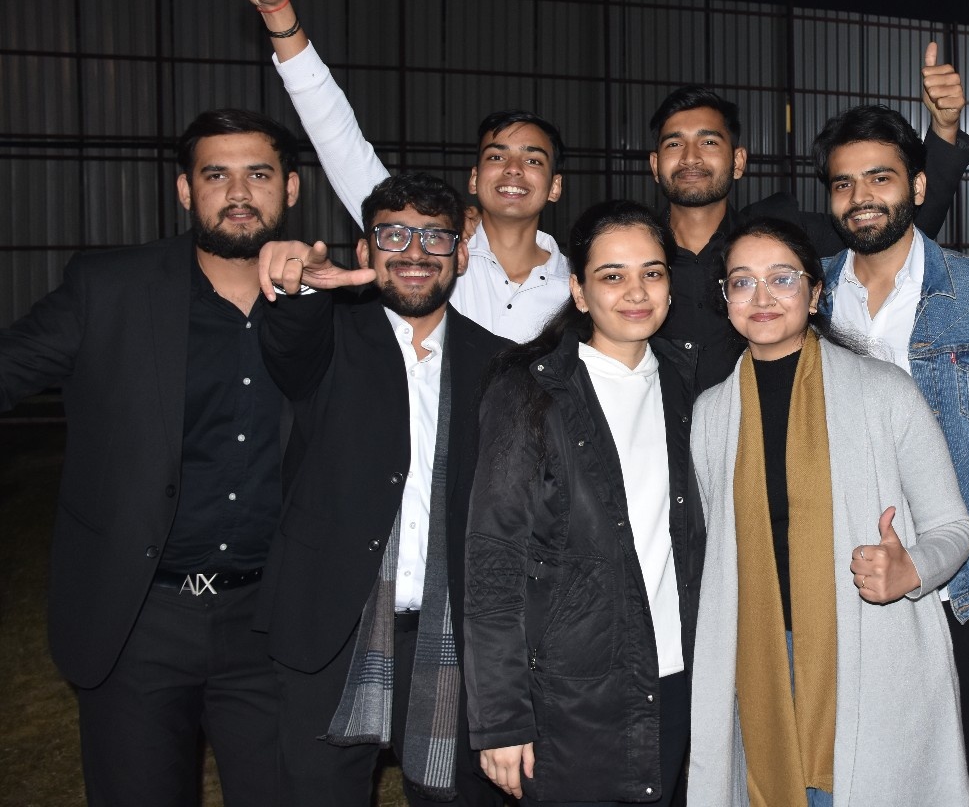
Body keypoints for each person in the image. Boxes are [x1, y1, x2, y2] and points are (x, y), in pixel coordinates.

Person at [0, 109, 300, 805]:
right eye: (215, 175)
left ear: (290, 189)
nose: (238, 193)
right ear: (185, 190)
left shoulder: (327, 301)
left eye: (258, 174)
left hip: (272, 623)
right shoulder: (109, 289)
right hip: (137, 618)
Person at [689, 216, 969, 807]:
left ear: (815, 293)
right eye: (742, 282)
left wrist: (912, 569)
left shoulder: (884, 391)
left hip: (865, 650)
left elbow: (954, 527)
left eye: (782, 279)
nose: (762, 298)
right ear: (726, 299)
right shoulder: (711, 415)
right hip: (760, 655)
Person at [812, 105, 969, 807]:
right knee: (848, 773)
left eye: (879, 178)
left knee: (957, 780)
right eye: (843, 183)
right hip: (837, 585)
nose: (860, 197)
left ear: (917, 185)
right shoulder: (805, 299)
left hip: (962, 595)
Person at [255, 173, 506, 805]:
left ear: (461, 255)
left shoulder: (501, 363)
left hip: (453, 635)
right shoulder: (326, 339)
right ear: (365, 251)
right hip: (333, 627)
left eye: (435, 237)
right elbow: (286, 341)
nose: (415, 252)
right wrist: (300, 287)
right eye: (394, 235)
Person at [221, 0, 571, 341]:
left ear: (555, 185)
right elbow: (336, 135)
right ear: (474, 177)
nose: (514, 170)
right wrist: (275, 8)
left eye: (534, 159)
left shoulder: (578, 287)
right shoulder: (424, 248)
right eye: (497, 156)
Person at [464, 200, 704, 805]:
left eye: (652, 272)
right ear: (578, 290)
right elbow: (493, 560)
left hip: (678, 680)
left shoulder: (688, 385)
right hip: (569, 695)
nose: (636, 292)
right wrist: (501, 719)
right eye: (612, 275)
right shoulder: (529, 391)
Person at [648, 45, 969, 394]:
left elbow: (892, 232)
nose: (691, 157)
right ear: (655, 165)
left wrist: (943, 130)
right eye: (674, 144)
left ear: (738, 161)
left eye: (709, 142)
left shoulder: (784, 236)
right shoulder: (630, 257)